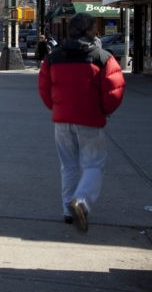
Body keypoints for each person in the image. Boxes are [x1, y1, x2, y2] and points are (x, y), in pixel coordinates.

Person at [38, 13, 125, 232]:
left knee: (67, 165)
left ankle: (68, 210)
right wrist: (104, 111)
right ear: (91, 31)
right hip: (90, 120)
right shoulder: (103, 57)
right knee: (93, 163)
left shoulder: (53, 57)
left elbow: (44, 88)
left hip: (62, 119)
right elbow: (115, 90)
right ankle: (82, 201)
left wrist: (56, 107)